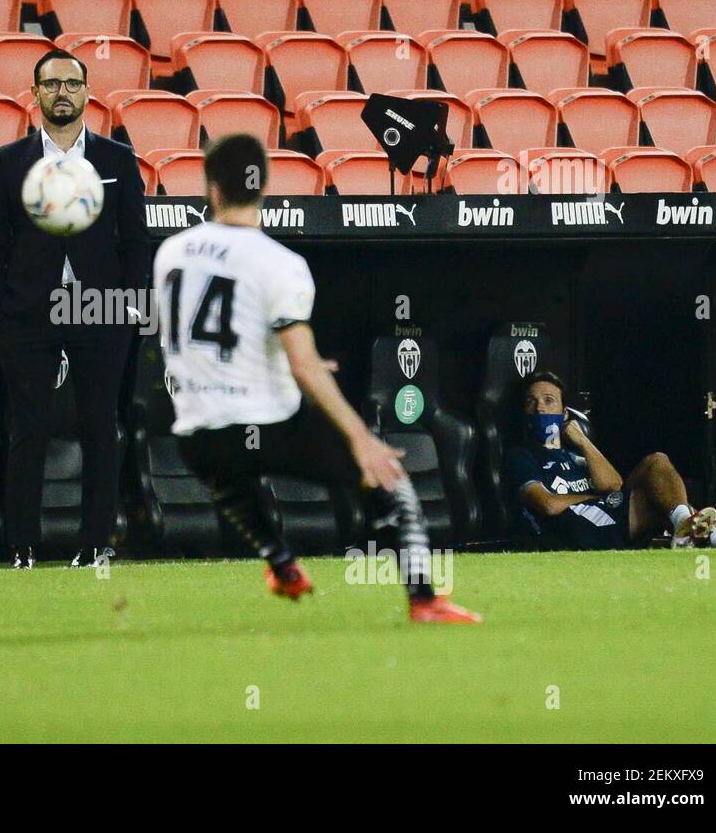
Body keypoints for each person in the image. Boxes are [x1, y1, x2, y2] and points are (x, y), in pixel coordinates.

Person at [153, 133, 480, 623]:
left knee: (228, 478)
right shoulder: (280, 263)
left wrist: (276, 364)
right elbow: (304, 363)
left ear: (211, 189)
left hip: (196, 438)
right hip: (265, 426)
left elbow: (208, 342)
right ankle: (424, 600)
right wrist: (361, 440)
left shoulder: (170, 254)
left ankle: (282, 565)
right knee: (391, 480)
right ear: (262, 186)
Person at [0, 49, 148, 570]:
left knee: (101, 428)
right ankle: (22, 546)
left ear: (86, 92)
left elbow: (137, 241)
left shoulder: (118, 159)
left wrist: (128, 307)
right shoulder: (8, 162)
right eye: (51, 85)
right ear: (35, 95)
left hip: (100, 312)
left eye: (71, 84)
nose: (62, 93)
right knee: (29, 429)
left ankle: (95, 543)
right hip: (28, 317)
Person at [505, 371, 716, 550]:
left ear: (565, 413)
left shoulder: (575, 454)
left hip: (608, 510)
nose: (540, 408)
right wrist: (595, 498)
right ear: (524, 412)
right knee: (659, 500)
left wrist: (583, 442)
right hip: (581, 528)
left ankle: (690, 528)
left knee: (657, 462)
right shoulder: (521, 456)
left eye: (549, 400)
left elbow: (613, 484)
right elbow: (547, 504)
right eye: (531, 402)